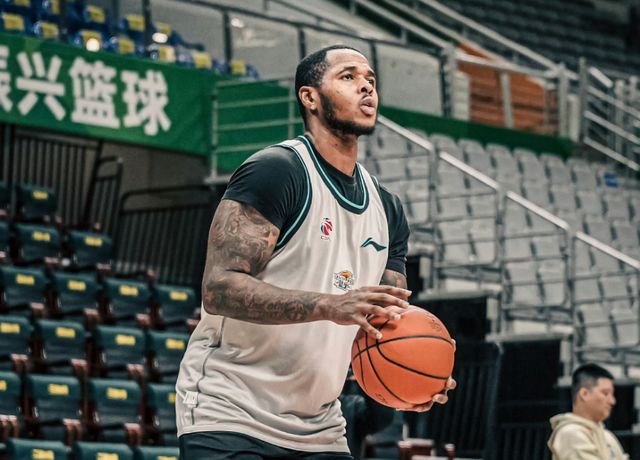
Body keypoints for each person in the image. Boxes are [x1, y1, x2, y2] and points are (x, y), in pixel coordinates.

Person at [176, 44, 456, 459]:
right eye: (348, 77)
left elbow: (380, 326)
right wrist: (329, 305)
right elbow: (219, 289)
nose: (366, 87)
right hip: (230, 410)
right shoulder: (276, 171)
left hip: (319, 427)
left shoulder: (388, 209)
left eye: (371, 80)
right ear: (309, 97)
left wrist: (412, 378)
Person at [548, 363, 629, 460]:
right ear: (584, 394)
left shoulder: (608, 436)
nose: (612, 401)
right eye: (605, 393)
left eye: (612, 394)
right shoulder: (570, 433)